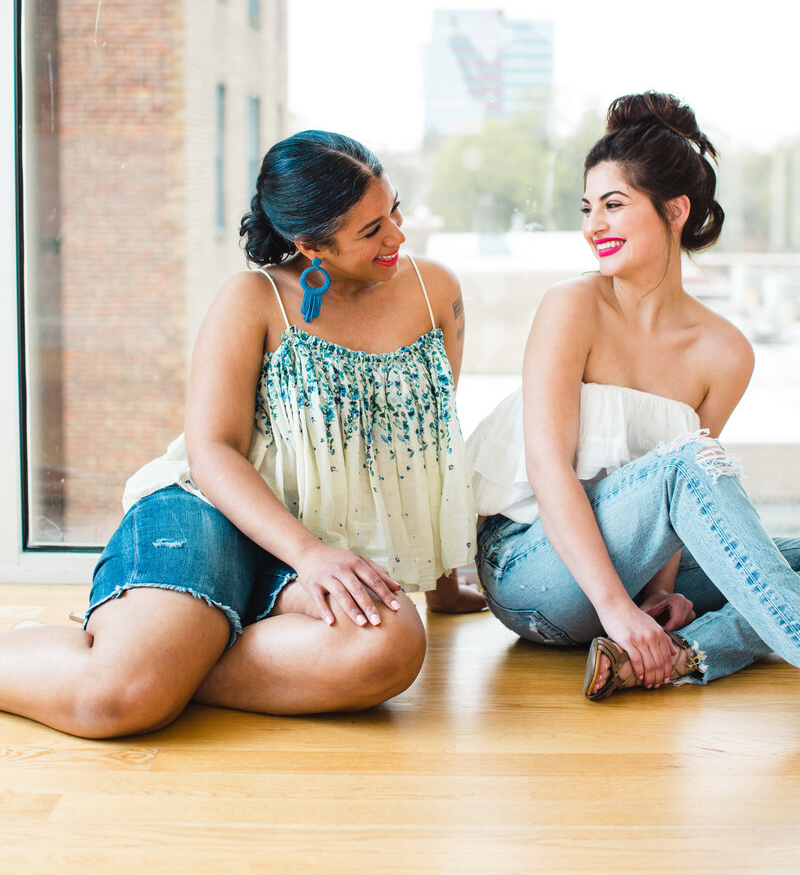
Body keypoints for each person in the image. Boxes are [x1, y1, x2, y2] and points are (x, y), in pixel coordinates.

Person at [1, 130, 482, 738]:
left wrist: (440, 583)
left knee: (391, 645)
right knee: (115, 703)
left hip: (315, 546)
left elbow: (428, 442)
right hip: (212, 514)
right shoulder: (252, 299)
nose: (397, 236)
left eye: (394, 211)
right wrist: (309, 556)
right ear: (310, 245)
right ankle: (105, 662)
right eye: (370, 230)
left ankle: (158, 659)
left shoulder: (434, 290)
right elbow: (212, 452)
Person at [468, 92, 800, 699]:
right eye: (588, 207)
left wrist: (655, 595)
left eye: (614, 205)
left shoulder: (726, 353)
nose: (594, 225)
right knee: (690, 462)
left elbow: (679, 506)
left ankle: (685, 655)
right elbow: (548, 469)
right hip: (533, 573)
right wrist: (619, 610)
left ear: (675, 210)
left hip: (633, 572)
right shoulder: (572, 308)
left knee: (792, 556)